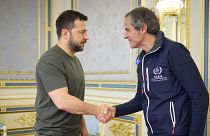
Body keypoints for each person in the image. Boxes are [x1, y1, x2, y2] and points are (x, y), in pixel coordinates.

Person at [102, 7, 209, 136]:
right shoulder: (142, 59)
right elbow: (141, 99)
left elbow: (200, 96)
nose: (125, 35)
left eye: (127, 29)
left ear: (142, 28)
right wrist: (115, 110)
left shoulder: (174, 51)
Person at [35, 10, 110, 136]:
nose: (87, 37)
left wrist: (84, 131)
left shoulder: (75, 61)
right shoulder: (50, 60)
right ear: (65, 33)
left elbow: (75, 102)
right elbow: (63, 101)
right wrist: (98, 110)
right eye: (82, 32)